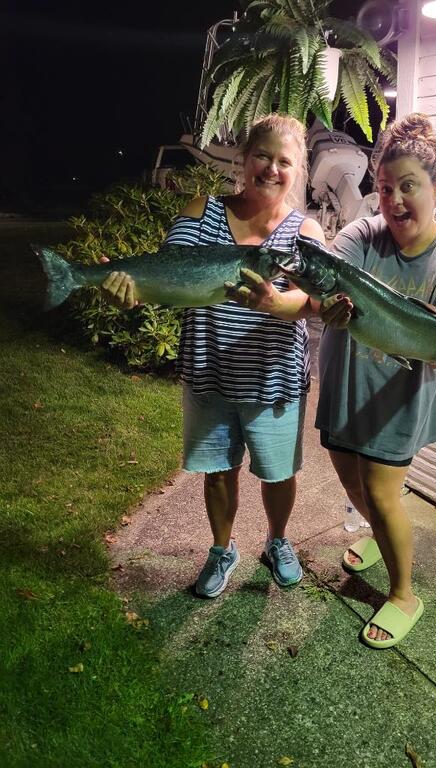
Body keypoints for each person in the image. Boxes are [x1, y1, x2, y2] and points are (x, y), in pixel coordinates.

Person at [101, 113, 326, 597]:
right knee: (218, 474)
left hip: (273, 380)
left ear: (298, 170)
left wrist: (272, 302)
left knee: (278, 474)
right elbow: (167, 271)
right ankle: (222, 549)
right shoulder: (201, 210)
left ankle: (278, 541)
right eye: (262, 155)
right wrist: (130, 288)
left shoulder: (305, 231)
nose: (271, 169)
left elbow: (314, 301)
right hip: (209, 373)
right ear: (244, 159)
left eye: (284, 161)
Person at [316, 112, 436, 649]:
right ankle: (380, 539)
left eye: (408, 186)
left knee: (382, 494)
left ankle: (404, 594)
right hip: (346, 385)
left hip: (398, 398)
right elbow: (329, 277)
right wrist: (323, 302)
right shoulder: (362, 235)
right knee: (352, 483)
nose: (394, 200)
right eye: (385, 188)